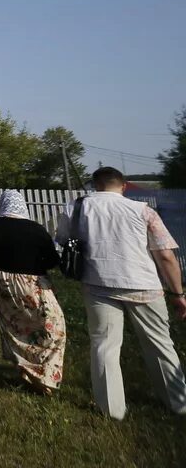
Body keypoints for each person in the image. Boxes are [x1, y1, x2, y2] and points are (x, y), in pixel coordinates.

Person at [68, 166, 186, 419]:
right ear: (123, 186)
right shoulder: (143, 211)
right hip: (144, 285)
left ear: (94, 185)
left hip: (98, 284)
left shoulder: (77, 208)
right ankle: (179, 403)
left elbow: (64, 239)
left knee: (104, 346)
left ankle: (112, 411)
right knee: (160, 345)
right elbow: (165, 255)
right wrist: (178, 294)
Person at [0, 189, 65, 394]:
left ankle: (24, 367)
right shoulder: (37, 230)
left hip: (0, 281)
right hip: (31, 281)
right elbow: (51, 260)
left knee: (12, 325)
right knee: (53, 325)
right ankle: (45, 374)